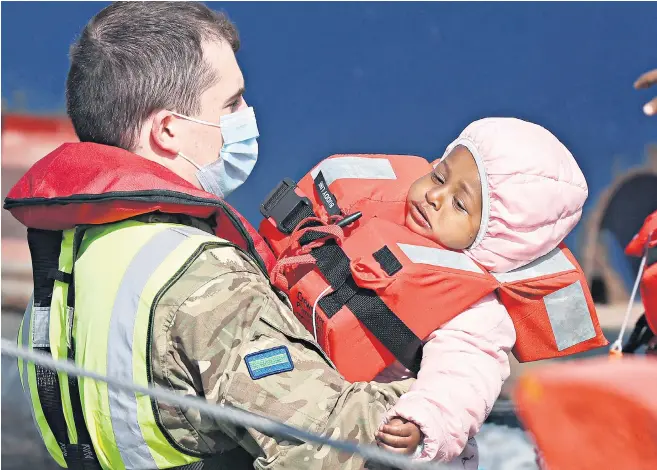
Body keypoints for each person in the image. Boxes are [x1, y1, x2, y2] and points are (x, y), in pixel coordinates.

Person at [5, 2, 415, 469]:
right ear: (167, 130)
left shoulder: (68, 261)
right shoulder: (203, 276)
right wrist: (441, 385)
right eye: (232, 103)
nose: (248, 115)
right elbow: (336, 448)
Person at [260, 118, 607, 465]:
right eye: (439, 176)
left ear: (496, 235)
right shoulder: (363, 223)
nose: (435, 196)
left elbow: (462, 382)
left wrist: (423, 423)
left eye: (460, 205)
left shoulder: (475, 312)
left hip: (399, 447)